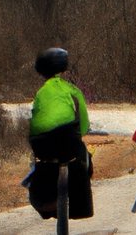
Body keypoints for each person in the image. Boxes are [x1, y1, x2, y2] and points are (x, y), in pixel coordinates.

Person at [25, 47, 94, 220]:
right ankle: (79, 207)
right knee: (83, 158)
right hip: (67, 143)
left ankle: (48, 205)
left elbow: (35, 122)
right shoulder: (73, 91)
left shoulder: (41, 93)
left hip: (41, 145)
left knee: (40, 164)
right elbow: (84, 127)